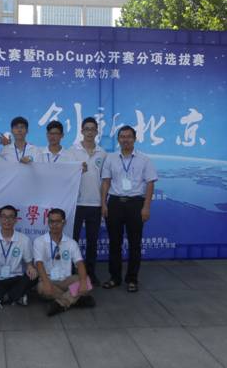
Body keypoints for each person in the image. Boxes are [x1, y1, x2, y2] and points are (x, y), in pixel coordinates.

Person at [101, 125, 158, 292]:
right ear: (118, 139)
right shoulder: (111, 158)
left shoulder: (144, 159)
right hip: (115, 203)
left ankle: (132, 279)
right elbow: (106, 182)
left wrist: (146, 207)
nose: (125, 139)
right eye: (122, 136)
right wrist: (103, 203)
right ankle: (115, 277)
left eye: (129, 136)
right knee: (114, 243)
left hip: (135, 204)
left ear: (134, 139)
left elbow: (150, 183)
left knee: (135, 244)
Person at [34, 208, 95, 317]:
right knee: (42, 287)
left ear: (64, 222)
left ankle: (60, 304)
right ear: (48, 222)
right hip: (48, 279)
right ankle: (77, 299)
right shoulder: (39, 241)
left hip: (66, 280)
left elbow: (80, 263)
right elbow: (39, 264)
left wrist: (83, 282)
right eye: (51, 221)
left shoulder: (71, 242)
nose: (54, 225)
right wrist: (46, 282)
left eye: (58, 221)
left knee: (86, 280)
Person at [69, 117, 108, 286]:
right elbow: (66, 176)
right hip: (76, 203)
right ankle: (71, 272)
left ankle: (91, 273)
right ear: (82, 131)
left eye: (93, 129)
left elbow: (105, 180)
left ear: (97, 132)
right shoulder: (72, 151)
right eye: (87, 129)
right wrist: (76, 170)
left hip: (95, 204)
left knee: (93, 241)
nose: (90, 132)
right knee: (72, 241)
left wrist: (103, 202)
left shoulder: (103, 153)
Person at [0, 205, 38, 307]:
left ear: (15, 220)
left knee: (34, 276)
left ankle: (1, 297)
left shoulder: (24, 239)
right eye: (4, 216)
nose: (7, 220)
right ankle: (15, 296)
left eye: (10, 217)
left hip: (15, 279)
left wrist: (31, 268)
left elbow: (29, 264)